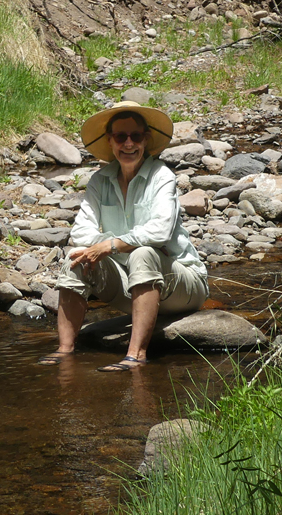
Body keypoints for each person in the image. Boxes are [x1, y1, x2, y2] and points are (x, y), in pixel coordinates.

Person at [37, 101, 209, 372]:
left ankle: (136, 355)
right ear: (110, 141)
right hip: (131, 282)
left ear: (146, 139)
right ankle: (65, 350)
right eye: (121, 136)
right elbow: (81, 232)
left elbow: (161, 231)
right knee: (76, 258)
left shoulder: (162, 177)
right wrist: (115, 246)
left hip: (182, 283)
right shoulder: (99, 181)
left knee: (144, 253)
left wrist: (111, 244)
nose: (128, 143)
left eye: (135, 136)